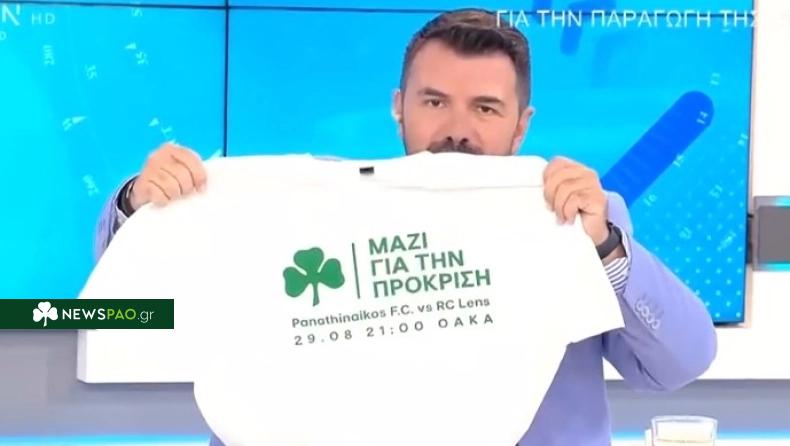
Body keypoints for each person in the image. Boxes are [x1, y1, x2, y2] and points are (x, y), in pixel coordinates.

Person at [94, 8, 717, 446]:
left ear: (521, 125)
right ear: (399, 107)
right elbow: (123, 312)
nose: (458, 130)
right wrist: (142, 205)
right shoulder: (301, 208)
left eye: (485, 108)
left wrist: (605, 245)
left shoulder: (573, 219)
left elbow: (682, 362)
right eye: (435, 101)